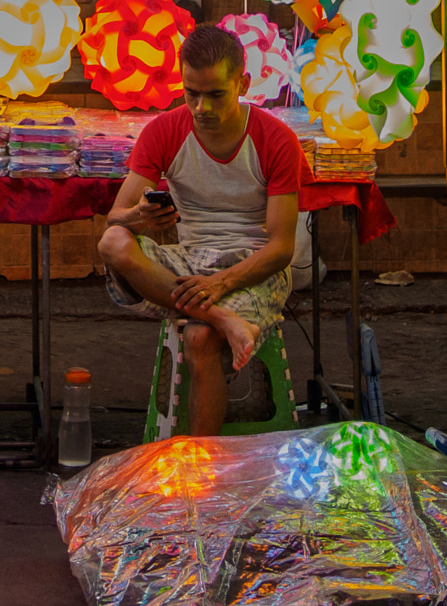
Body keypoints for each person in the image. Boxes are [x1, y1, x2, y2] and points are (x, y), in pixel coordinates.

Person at [96, 22, 304, 437]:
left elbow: (281, 248)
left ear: (242, 82)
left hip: (254, 264)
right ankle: (224, 320)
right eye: (192, 94)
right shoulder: (164, 131)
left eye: (215, 95)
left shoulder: (276, 139)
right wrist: (136, 218)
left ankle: (202, 467)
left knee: (198, 339)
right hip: (190, 261)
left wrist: (222, 282)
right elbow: (114, 220)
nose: (202, 108)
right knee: (113, 242)